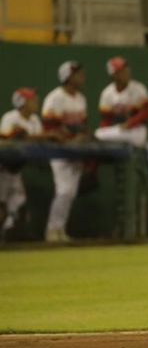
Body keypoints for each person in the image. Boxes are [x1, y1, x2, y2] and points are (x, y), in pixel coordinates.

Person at [42, 61, 89, 243]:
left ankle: (60, 229)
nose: (82, 76)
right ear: (68, 77)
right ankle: (52, 229)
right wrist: (70, 138)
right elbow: (49, 127)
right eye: (77, 73)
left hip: (76, 151)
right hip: (59, 151)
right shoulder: (55, 98)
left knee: (71, 192)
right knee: (64, 191)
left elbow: (83, 125)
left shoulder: (81, 98)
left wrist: (82, 136)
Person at [0, 89, 44, 240]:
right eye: (32, 100)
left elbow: (39, 139)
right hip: (2, 169)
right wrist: (24, 137)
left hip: (15, 171)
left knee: (20, 209)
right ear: (22, 102)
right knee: (1, 207)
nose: (35, 102)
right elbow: (7, 142)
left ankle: (8, 238)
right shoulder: (10, 118)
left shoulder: (35, 120)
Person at [94, 57, 148, 147]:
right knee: (99, 134)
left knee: (99, 135)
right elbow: (105, 119)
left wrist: (130, 123)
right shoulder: (107, 93)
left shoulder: (139, 88)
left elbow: (147, 111)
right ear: (113, 75)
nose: (126, 73)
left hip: (137, 131)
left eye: (126, 70)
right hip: (118, 129)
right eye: (121, 71)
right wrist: (106, 131)